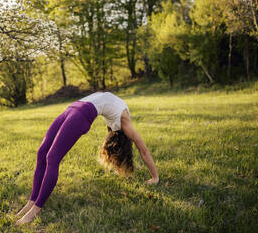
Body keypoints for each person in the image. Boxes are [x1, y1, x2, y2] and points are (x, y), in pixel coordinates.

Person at [15, 92, 159, 225]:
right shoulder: (121, 121)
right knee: (42, 153)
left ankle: (36, 208)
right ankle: (31, 201)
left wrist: (155, 177)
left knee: (52, 157)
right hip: (72, 108)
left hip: (80, 114)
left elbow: (144, 150)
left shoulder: (125, 123)